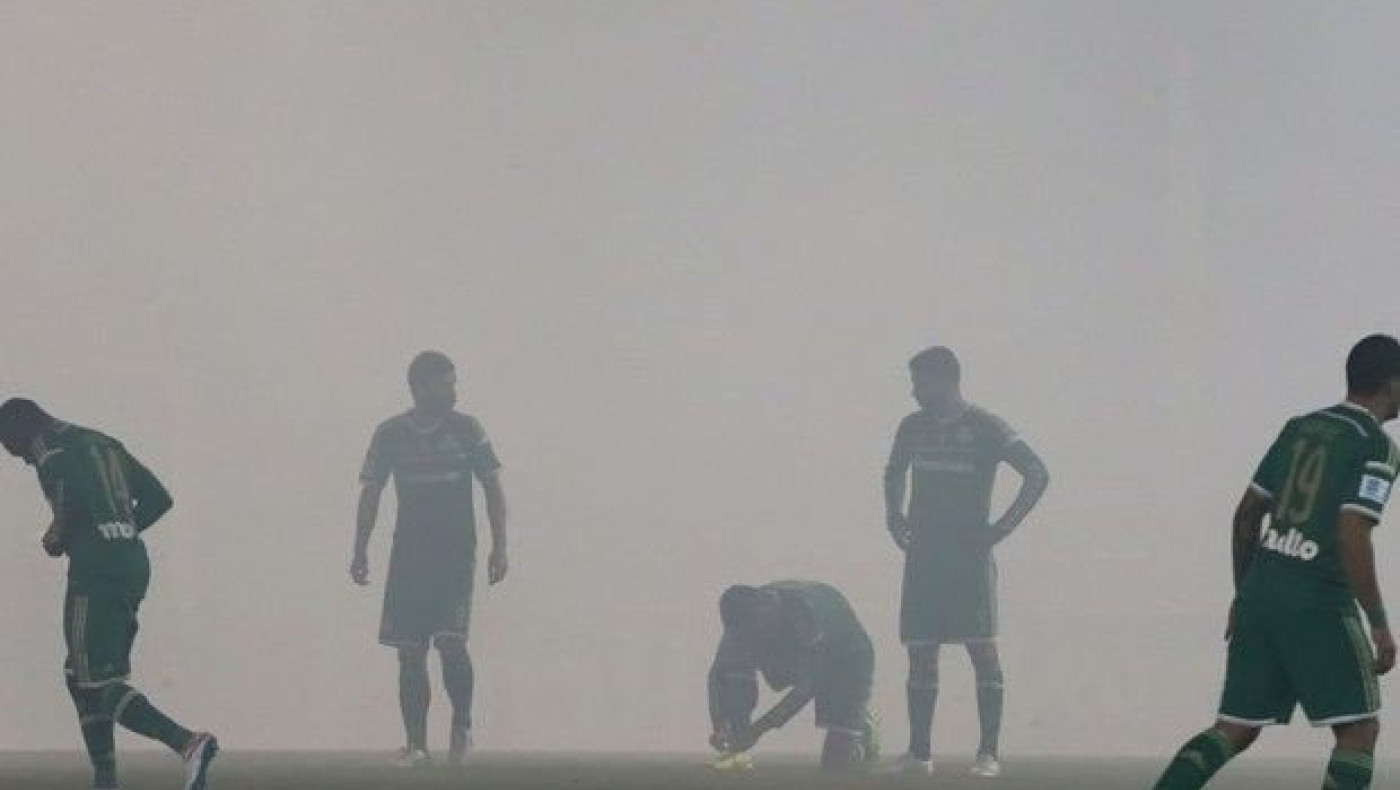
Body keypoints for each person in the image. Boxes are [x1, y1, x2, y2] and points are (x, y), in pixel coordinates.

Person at [1151, 334, 1400, 790]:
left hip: (1261, 593)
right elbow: (1352, 530)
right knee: (1359, 730)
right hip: (1319, 599)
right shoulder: (1375, 445)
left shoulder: (1299, 427)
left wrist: (1242, 591)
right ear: (1390, 384)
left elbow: (1246, 515)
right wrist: (1379, 622)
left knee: (1234, 729)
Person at [0, 398, 218, 790]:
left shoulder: (47, 447)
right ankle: (105, 780)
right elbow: (159, 498)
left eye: (10, 446)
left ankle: (188, 743)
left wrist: (56, 537)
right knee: (81, 673)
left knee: (96, 682)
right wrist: (119, 529)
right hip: (131, 563)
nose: (20, 459)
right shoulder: (103, 442)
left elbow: (68, 492)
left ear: (21, 428)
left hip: (94, 571)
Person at [884, 346, 1049, 776]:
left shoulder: (986, 426)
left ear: (944, 379)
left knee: (982, 650)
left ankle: (988, 754)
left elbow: (1037, 472)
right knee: (920, 652)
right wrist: (893, 514)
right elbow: (893, 470)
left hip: (968, 560)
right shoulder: (912, 427)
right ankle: (920, 754)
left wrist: (1002, 528)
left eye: (920, 382)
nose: (914, 392)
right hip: (923, 557)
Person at [351, 351, 509, 766]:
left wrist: (500, 546)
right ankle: (417, 743)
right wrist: (360, 547)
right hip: (409, 555)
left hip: (455, 553)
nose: (454, 391)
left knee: (451, 644)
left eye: (454, 383)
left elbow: (493, 487)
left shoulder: (467, 429)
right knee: (409, 652)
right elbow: (371, 491)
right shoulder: (389, 434)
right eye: (446, 383)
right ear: (421, 387)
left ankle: (461, 724)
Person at [707, 581, 878, 771]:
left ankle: (859, 730)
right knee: (734, 671)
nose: (753, 639)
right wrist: (720, 724)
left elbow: (805, 689)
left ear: (767, 607)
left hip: (845, 659)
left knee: (835, 763)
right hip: (794, 654)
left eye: (758, 631)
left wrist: (758, 729)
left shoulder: (804, 617)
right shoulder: (741, 624)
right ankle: (735, 737)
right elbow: (718, 674)